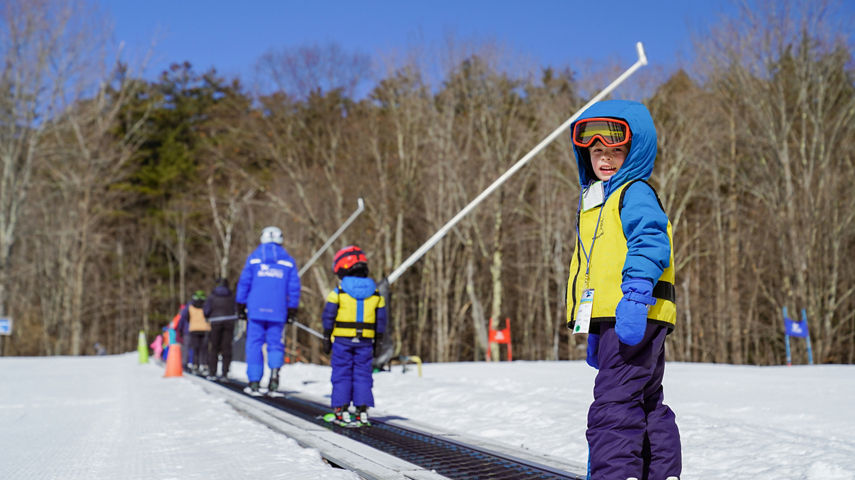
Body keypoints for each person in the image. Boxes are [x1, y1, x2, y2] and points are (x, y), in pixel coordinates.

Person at [565, 100, 681, 480]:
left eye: (616, 150)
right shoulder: (599, 199)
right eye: (597, 151)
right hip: (617, 316)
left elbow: (651, 242)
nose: (605, 158)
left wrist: (634, 296)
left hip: (633, 310)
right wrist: (595, 322)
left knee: (613, 405)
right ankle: (659, 472)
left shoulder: (634, 193)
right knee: (644, 400)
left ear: (635, 152)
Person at [321, 245, 387, 424]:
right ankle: (362, 410)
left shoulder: (339, 292)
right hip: (365, 341)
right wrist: (378, 340)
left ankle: (341, 409)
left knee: (342, 373)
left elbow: (329, 315)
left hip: (342, 341)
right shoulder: (375, 293)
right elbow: (380, 320)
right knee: (363, 374)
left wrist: (326, 337)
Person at [236, 226, 301, 394]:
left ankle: (254, 381)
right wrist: (292, 308)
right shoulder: (288, 261)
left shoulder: (254, 259)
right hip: (278, 310)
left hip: (256, 310)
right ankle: (274, 374)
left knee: (254, 344)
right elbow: (294, 287)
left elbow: (244, 282)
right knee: (275, 344)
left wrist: (240, 304)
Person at [204, 278, 237, 380]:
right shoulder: (231, 296)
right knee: (226, 348)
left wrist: (208, 316)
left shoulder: (212, 296)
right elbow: (236, 308)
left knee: (214, 347)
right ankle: (225, 373)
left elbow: (206, 310)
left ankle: (212, 372)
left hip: (215, 322)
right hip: (229, 322)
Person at [178, 290, 210, 374]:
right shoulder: (206, 305)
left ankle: (195, 365)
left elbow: (185, 318)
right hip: (205, 328)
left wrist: (180, 329)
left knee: (195, 348)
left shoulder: (190, 306)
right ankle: (205, 365)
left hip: (193, 329)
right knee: (204, 348)